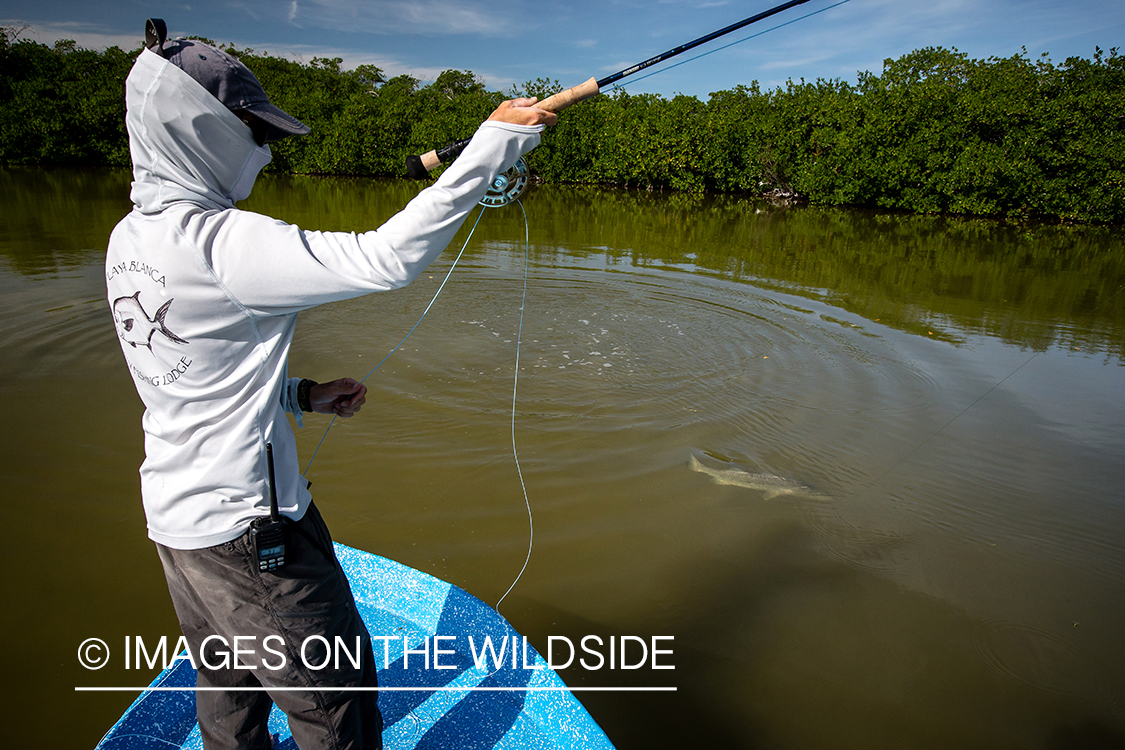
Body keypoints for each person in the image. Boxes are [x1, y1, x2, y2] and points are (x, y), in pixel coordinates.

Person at [105, 19, 556, 750]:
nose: (265, 145)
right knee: (333, 703)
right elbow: (385, 259)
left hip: (177, 522)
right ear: (203, 129)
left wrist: (299, 396)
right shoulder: (220, 240)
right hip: (254, 534)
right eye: (253, 129)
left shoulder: (131, 237)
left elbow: (185, 372)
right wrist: (492, 146)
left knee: (226, 684)